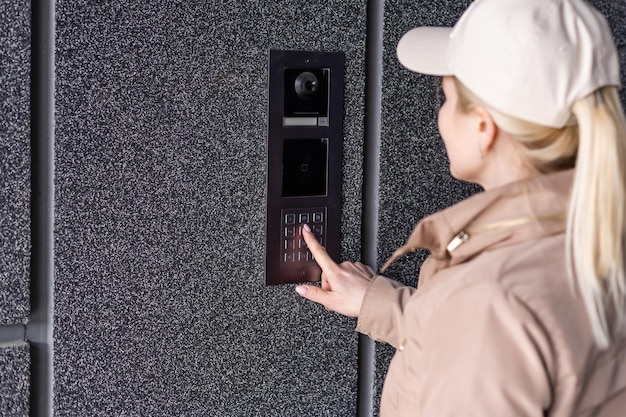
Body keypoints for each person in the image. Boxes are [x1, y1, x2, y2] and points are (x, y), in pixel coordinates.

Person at [294, 0, 626, 415]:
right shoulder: (595, 238)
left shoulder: (491, 303)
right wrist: (379, 304)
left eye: (446, 97)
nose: (442, 115)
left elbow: (495, 333)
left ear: (483, 128)